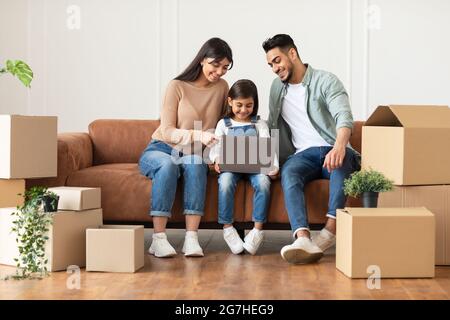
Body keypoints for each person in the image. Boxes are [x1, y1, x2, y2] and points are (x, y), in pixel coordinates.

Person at [262, 34, 360, 264]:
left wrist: (339, 146)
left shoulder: (326, 81)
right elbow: (272, 126)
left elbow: (344, 116)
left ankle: (329, 233)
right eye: (270, 64)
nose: (274, 68)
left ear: (293, 54)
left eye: (277, 60)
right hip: (301, 155)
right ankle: (302, 237)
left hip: (330, 147)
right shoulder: (277, 88)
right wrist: (269, 160)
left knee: (342, 163)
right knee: (290, 172)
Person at [139, 38, 233, 258]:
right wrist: (197, 134)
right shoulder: (177, 86)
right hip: (162, 148)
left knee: (197, 164)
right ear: (202, 60)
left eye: (225, 68)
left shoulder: (222, 88)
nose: (219, 71)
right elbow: (168, 130)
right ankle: (158, 239)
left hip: (192, 154)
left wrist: (219, 154)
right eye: (215, 64)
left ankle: (191, 238)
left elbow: (222, 125)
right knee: (168, 165)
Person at [209, 79, 279, 255]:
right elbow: (215, 147)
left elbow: (268, 147)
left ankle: (257, 230)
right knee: (225, 182)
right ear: (230, 101)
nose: (243, 110)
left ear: (254, 104)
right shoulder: (223, 124)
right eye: (239, 105)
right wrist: (216, 159)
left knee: (263, 183)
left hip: (255, 168)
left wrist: (274, 166)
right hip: (231, 166)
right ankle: (227, 228)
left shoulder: (259, 124)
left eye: (249, 105)